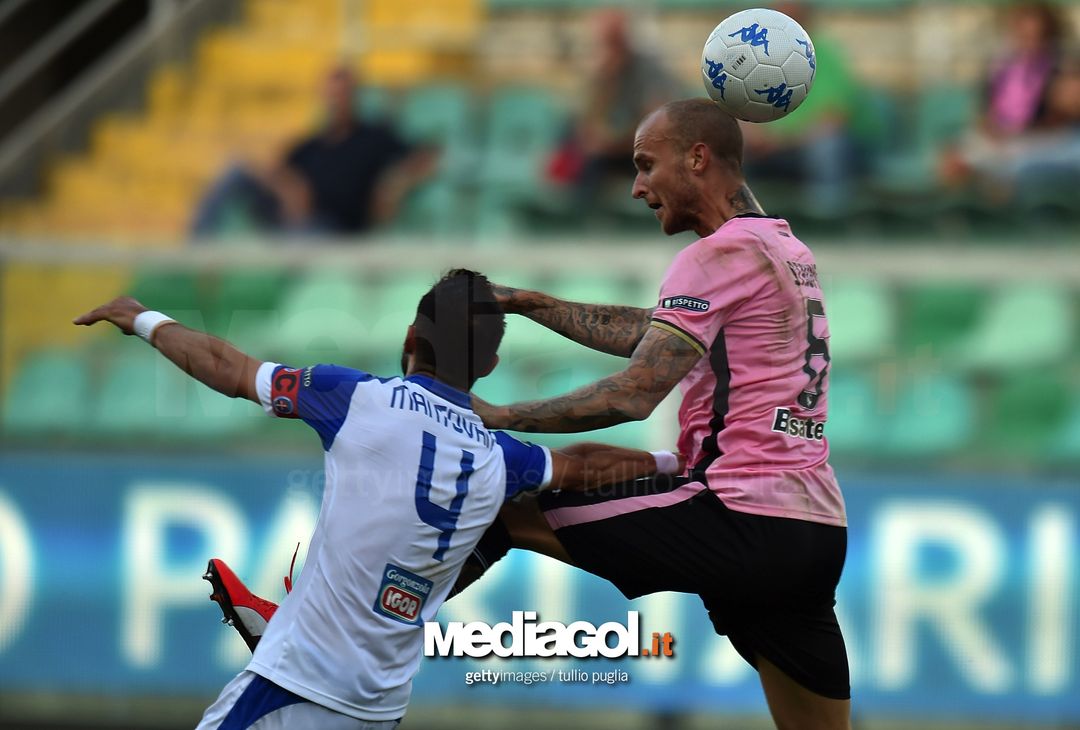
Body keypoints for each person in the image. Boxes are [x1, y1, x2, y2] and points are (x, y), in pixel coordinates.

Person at [73, 270, 682, 729]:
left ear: (412, 336)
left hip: (296, 687)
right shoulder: (502, 456)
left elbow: (226, 367)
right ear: (492, 364)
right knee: (506, 520)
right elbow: (587, 468)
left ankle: (287, 619)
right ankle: (287, 614)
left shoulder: (352, 397)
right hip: (379, 708)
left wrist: (143, 319)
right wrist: (674, 461)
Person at [467, 98, 851, 730]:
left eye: (646, 165)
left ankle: (340, 644)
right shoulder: (783, 249)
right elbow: (657, 334)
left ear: (697, 158)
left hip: (738, 514)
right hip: (811, 531)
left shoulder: (716, 255)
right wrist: (534, 303)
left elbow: (632, 394)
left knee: (506, 506)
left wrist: (499, 413)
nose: (638, 186)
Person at [190, 65, 437, 237]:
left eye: (342, 95)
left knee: (300, 238)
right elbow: (277, 171)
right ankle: (198, 250)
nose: (335, 102)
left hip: (333, 230)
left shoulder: (374, 138)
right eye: (331, 95)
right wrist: (289, 187)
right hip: (293, 222)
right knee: (237, 170)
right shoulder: (310, 144)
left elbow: (427, 155)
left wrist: (395, 184)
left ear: (353, 97)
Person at [546, 9, 676, 217]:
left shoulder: (646, 70)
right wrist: (604, 81)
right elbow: (583, 120)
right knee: (571, 134)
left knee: (592, 162)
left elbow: (655, 123)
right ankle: (562, 200)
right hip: (605, 149)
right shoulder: (600, 73)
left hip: (634, 151)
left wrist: (611, 142)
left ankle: (578, 218)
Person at [940, 2, 1068, 190]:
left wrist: (1015, 132)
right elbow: (986, 110)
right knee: (953, 160)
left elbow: (1058, 120)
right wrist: (990, 128)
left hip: (1038, 141)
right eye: (1024, 36)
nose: (1029, 43)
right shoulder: (1001, 67)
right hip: (1002, 138)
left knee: (1008, 170)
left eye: (1037, 37)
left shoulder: (1059, 69)